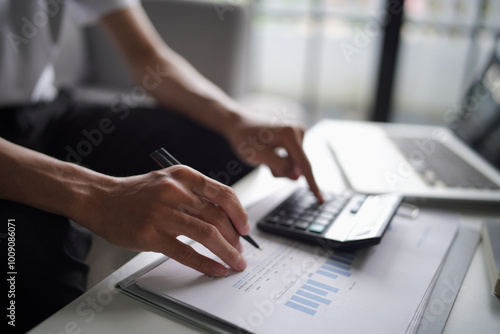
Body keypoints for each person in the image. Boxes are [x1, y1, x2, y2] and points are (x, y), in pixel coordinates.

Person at [0, 1, 322, 332]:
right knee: (34, 264)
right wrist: (98, 195)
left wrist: (234, 120)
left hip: (46, 110)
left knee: (225, 151)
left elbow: (147, 54)